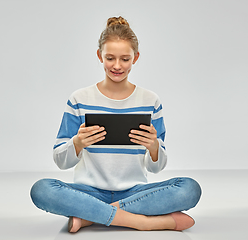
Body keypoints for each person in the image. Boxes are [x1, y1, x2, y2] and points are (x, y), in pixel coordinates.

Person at [30, 16, 201, 233]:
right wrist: (77, 142)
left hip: (135, 192)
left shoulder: (150, 101)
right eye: (110, 58)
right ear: (99, 56)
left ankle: (91, 216)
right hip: (88, 192)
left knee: (189, 189)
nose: (117, 66)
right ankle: (141, 221)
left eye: (125, 59)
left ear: (135, 58)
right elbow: (60, 160)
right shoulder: (79, 99)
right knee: (42, 190)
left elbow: (156, 167)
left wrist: (154, 147)